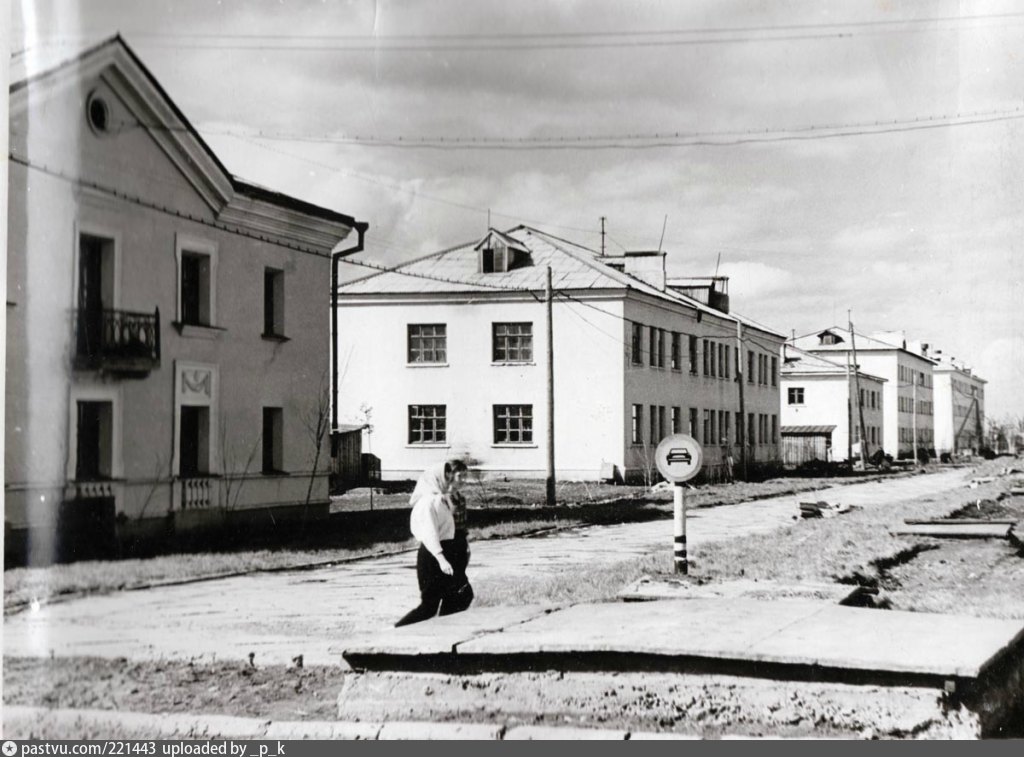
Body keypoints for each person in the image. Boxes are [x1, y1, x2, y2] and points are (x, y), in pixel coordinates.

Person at [395, 460, 473, 627]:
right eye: (457, 476)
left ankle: (443, 633)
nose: (461, 480)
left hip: (449, 551)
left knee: (459, 596)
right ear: (441, 478)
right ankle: (396, 632)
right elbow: (430, 534)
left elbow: (456, 529)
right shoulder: (429, 502)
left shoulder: (444, 500)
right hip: (433, 556)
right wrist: (441, 559)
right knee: (429, 606)